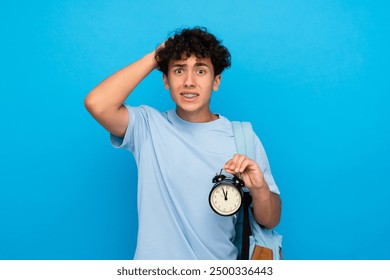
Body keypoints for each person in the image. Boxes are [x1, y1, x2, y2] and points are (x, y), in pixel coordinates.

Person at [84, 27, 281, 260]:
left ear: (216, 81)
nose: (189, 82)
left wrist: (259, 188)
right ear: (165, 80)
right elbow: (97, 103)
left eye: (200, 70)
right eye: (178, 70)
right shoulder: (147, 126)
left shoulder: (242, 137)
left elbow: (271, 219)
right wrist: (155, 56)